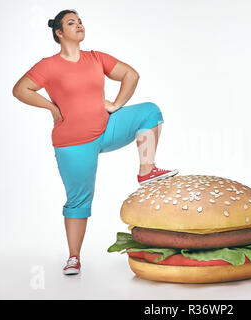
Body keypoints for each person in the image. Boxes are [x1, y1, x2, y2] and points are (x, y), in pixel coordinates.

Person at [12, 9, 179, 275]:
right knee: (79, 201)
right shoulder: (48, 65)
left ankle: (147, 170)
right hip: (73, 143)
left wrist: (116, 104)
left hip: (107, 128)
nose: (78, 25)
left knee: (149, 111)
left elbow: (131, 75)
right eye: (71, 23)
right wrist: (51, 108)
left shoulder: (96, 58)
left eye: (80, 22)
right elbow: (20, 89)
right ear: (59, 32)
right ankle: (74, 258)